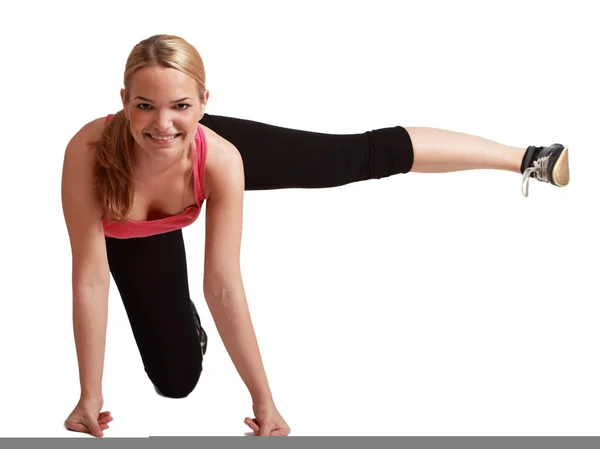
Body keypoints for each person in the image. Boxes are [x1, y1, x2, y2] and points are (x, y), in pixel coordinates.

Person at [60, 34, 570, 439]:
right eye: (145, 105)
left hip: (200, 164)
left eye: (181, 105)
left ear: (203, 103)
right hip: (131, 236)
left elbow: (222, 283)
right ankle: (180, 320)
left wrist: (263, 401)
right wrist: (90, 394)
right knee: (176, 383)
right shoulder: (87, 152)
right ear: (124, 100)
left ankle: (527, 158)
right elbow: (90, 278)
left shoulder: (220, 156)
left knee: (351, 158)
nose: (162, 122)